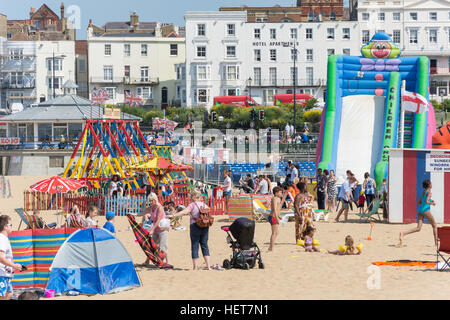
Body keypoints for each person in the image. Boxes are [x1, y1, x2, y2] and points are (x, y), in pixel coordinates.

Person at [172, 190, 211, 270]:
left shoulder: (192, 205)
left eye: (191, 196)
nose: (190, 197)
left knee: (195, 245)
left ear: (194, 196)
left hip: (195, 226)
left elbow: (184, 212)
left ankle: (195, 267)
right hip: (205, 226)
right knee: (204, 245)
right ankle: (208, 266)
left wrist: (174, 215)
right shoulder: (205, 205)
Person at [397, 180, 438, 248]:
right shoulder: (429, 193)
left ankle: (403, 233)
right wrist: (431, 203)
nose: (432, 184)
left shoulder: (424, 192)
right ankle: (436, 243)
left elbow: (419, 202)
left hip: (420, 211)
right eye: (431, 183)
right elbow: (426, 201)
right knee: (434, 225)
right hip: (426, 210)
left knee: (418, 228)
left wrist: (430, 200)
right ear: (429, 185)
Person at [138, 193, 170, 266]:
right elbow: (142, 213)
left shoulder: (159, 207)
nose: (150, 202)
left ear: (155, 199)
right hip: (155, 229)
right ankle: (147, 261)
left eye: (152, 200)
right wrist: (133, 215)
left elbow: (158, 220)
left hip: (162, 229)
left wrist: (152, 230)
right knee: (152, 246)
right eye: (149, 201)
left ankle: (164, 262)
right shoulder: (151, 207)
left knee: (163, 246)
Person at [0, 215, 23, 300]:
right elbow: (1, 257)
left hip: (5, 274)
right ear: (5, 227)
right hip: (1, 274)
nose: (12, 227)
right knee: (4, 295)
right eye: (11, 225)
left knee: (9, 294)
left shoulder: (4, 239)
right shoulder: (2, 239)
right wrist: (14, 265)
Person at [268, 186, 288, 252]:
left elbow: (278, 209)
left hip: (275, 216)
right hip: (273, 217)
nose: (281, 193)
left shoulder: (278, 199)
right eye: (280, 192)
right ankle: (271, 248)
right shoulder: (275, 199)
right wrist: (276, 218)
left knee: (276, 232)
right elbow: (274, 209)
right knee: (274, 233)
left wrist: (279, 216)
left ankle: (270, 247)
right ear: (276, 193)